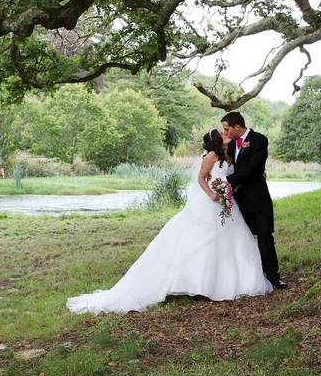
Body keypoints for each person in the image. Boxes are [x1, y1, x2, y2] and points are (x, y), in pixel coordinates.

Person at [67, 129, 272, 314]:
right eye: (223, 133)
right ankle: (198, 283)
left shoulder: (228, 156)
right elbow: (202, 177)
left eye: (227, 131)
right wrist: (212, 193)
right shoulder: (210, 156)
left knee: (232, 240)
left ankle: (232, 281)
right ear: (218, 140)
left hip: (227, 204)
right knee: (202, 241)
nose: (227, 135)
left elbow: (235, 175)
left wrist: (228, 190)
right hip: (209, 203)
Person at [220, 111, 287, 289]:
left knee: (265, 236)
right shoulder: (231, 144)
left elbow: (253, 169)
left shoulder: (259, 140)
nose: (225, 132)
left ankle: (273, 276)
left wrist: (227, 181)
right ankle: (247, 278)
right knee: (242, 239)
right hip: (238, 201)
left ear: (237, 127)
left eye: (227, 129)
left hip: (258, 199)